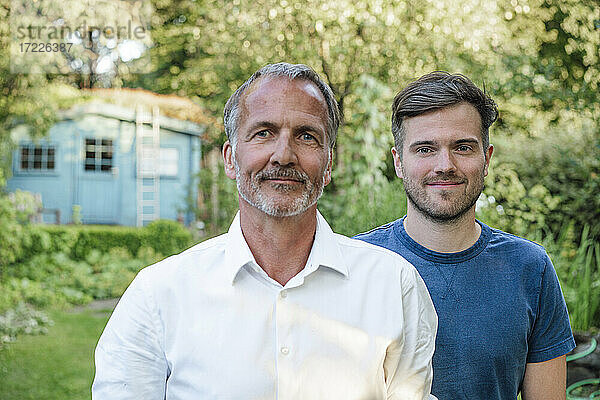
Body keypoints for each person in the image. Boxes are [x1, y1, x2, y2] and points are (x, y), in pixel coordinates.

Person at [92, 63, 438, 399]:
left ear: (328, 164)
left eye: (306, 136)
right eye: (263, 133)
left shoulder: (393, 287)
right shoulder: (159, 296)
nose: (283, 155)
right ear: (230, 158)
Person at [355, 71, 576, 400]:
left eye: (462, 147)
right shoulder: (356, 265)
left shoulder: (531, 269)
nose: (445, 164)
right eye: (425, 149)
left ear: (486, 159)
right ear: (399, 161)